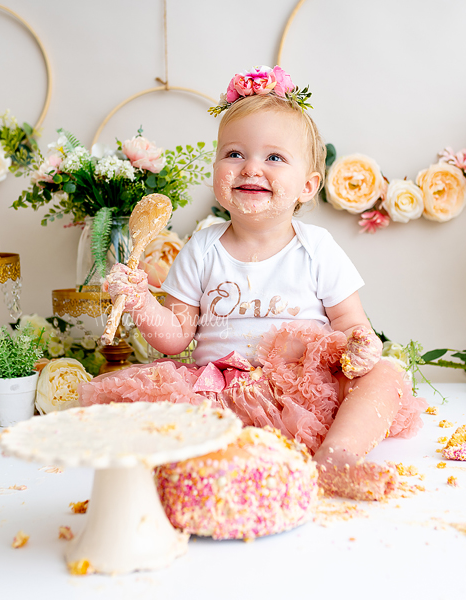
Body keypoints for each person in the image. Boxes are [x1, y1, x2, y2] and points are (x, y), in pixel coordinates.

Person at [79, 66, 427, 500]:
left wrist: (363, 344)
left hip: (306, 390)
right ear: (215, 170)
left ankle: (336, 454)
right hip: (220, 391)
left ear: (307, 186)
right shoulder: (201, 250)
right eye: (235, 154)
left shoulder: (316, 247)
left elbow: (351, 324)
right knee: (153, 421)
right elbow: (175, 338)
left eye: (274, 157)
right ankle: (227, 459)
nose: (251, 169)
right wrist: (142, 302)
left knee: (385, 375)